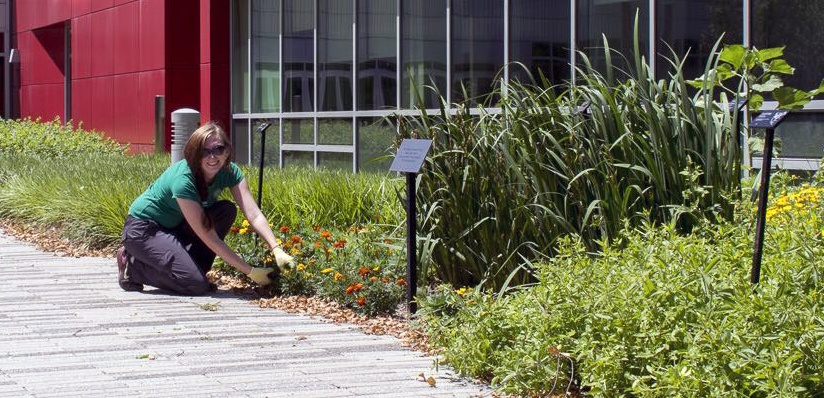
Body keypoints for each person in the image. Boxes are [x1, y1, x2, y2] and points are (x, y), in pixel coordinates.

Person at [116, 121, 292, 295]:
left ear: (227, 151)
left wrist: (276, 248)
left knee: (226, 210)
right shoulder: (183, 181)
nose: (212, 157)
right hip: (144, 230)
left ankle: (191, 270)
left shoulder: (230, 172)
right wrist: (250, 271)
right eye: (204, 151)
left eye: (218, 149)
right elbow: (209, 237)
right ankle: (133, 267)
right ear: (194, 153)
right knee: (196, 285)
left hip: (175, 226)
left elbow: (253, 214)